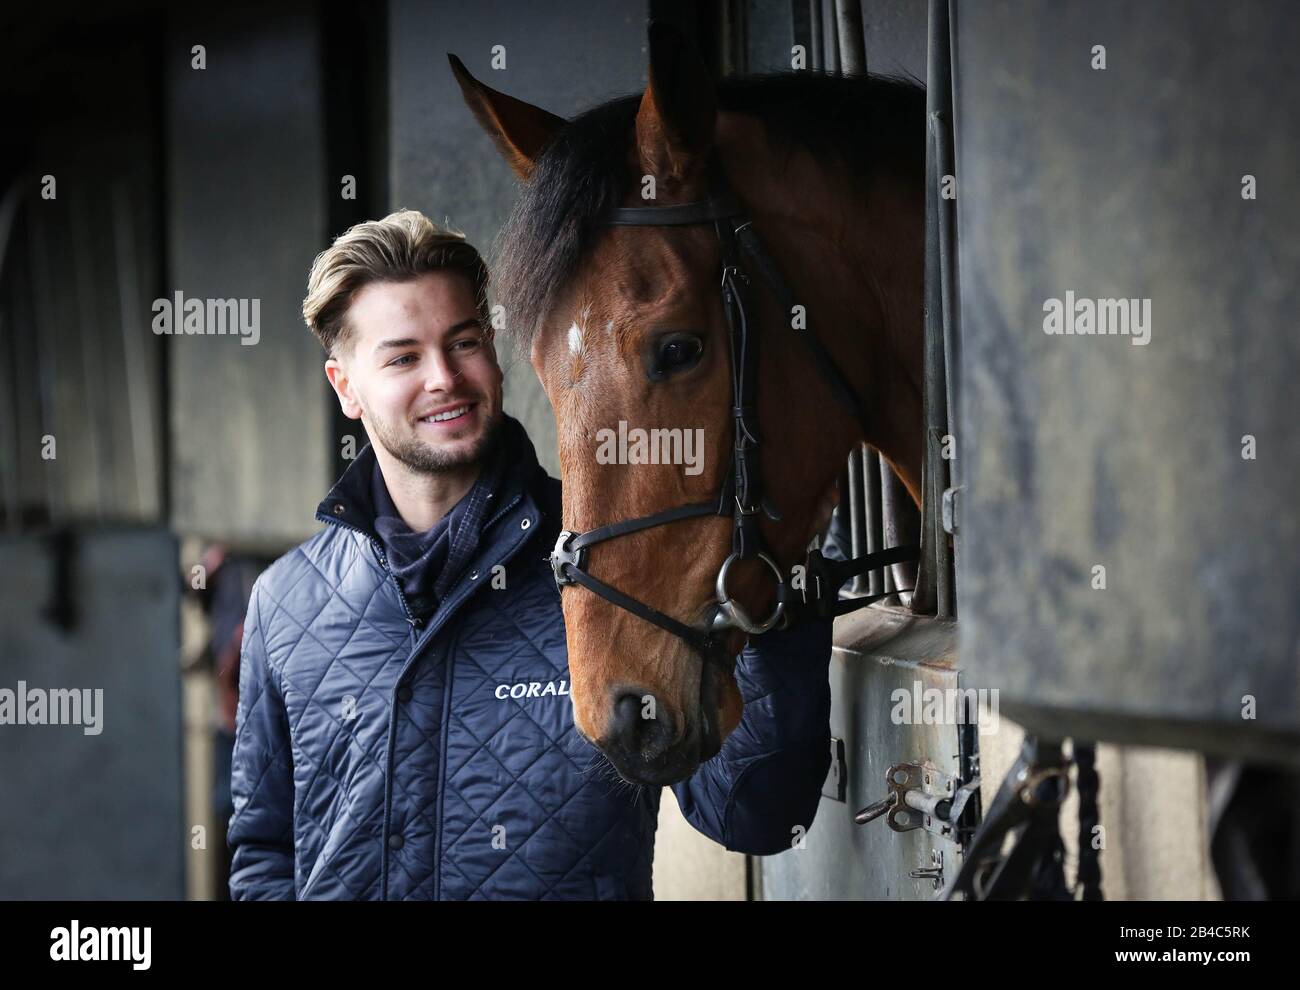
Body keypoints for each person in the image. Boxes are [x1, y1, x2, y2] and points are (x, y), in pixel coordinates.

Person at [227, 209, 834, 900]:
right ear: (345, 388)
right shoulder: (287, 602)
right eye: (402, 357)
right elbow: (265, 850)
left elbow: (753, 813)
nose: (444, 379)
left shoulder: (614, 564)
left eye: (463, 343)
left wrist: (778, 599)